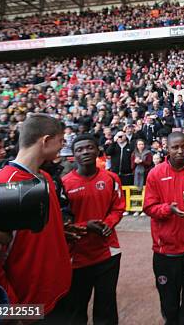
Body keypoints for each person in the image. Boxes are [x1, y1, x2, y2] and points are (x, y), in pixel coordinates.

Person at [0, 114, 80, 319]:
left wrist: (59, 232)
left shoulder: (45, 177)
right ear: (45, 140)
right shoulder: (2, 184)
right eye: (61, 141)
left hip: (58, 291)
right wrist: (13, 312)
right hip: (29, 306)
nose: (62, 147)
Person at [144, 132, 184, 325]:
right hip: (166, 251)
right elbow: (148, 207)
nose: (180, 151)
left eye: (183, 146)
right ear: (167, 148)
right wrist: (168, 209)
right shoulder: (155, 173)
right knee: (169, 302)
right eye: (175, 147)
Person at [62, 134, 125, 325]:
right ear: (73, 155)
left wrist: (109, 223)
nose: (85, 152)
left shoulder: (111, 178)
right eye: (79, 150)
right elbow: (61, 221)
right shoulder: (64, 183)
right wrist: (84, 226)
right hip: (77, 257)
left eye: (89, 147)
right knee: (76, 308)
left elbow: (118, 207)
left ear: (97, 150)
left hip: (108, 253)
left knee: (106, 306)